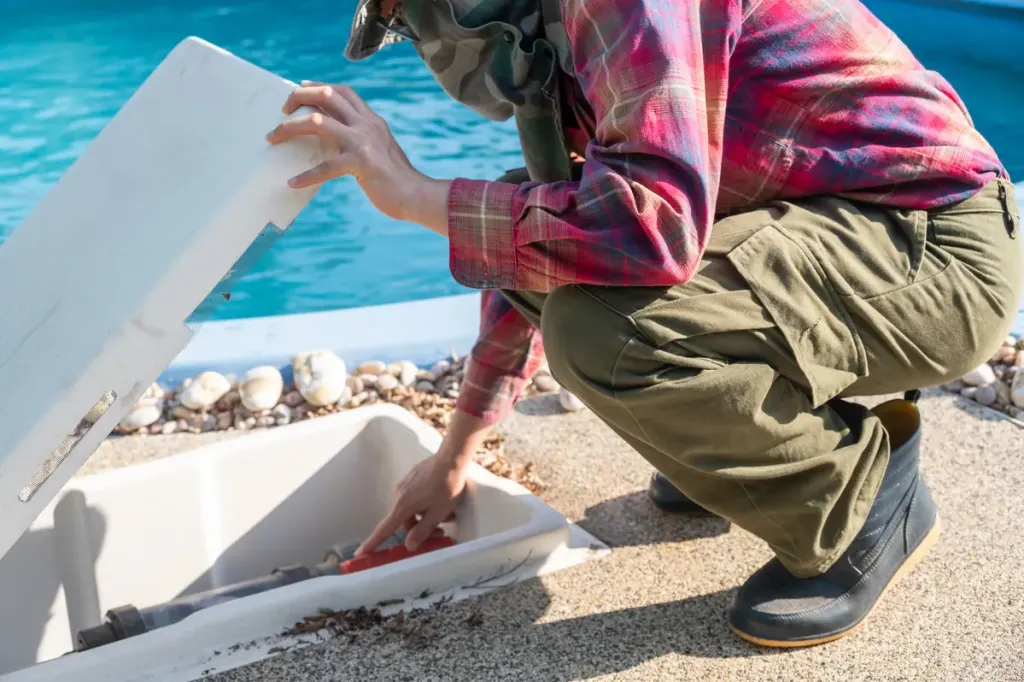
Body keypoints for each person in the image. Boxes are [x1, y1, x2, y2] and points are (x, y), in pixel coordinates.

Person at [266, 0, 1021, 647]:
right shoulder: (553, 45)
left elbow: (650, 228)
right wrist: (458, 448)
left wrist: (418, 195)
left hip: (935, 254)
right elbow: (539, 240)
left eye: (410, 11)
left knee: (607, 334)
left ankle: (858, 505)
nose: (422, 34)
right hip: (851, 237)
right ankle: (747, 450)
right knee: (541, 230)